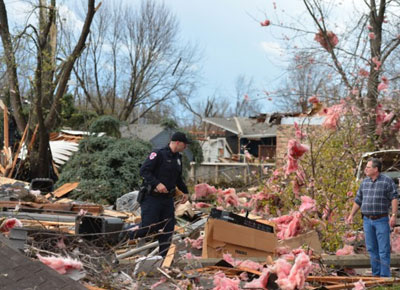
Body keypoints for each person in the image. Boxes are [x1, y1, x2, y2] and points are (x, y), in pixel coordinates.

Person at [129, 132, 190, 257]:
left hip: (167, 200)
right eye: (185, 144)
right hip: (152, 198)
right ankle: (124, 234)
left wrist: (186, 192)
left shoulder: (178, 158)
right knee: (149, 227)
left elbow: (178, 178)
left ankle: (162, 259)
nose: (186, 147)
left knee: (168, 229)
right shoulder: (158, 153)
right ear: (177, 142)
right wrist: (157, 184)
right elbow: (144, 171)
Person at [347, 158, 398, 277]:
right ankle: (376, 275)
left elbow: (394, 198)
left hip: (381, 220)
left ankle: (385, 277)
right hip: (367, 221)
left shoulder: (386, 181)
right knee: (371, 249)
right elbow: (358, 200)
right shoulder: (365, 182)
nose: (366, 169)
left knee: (383, 249)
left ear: (376, 169)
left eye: (368, 167)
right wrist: (351, 215)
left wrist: (394, 215)